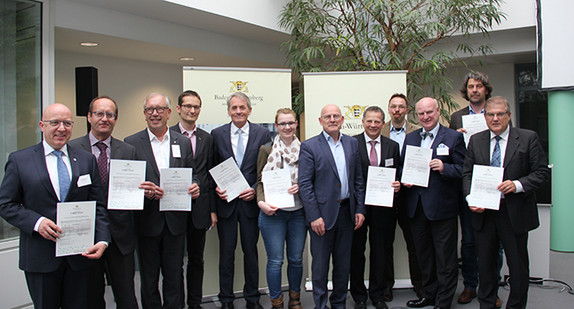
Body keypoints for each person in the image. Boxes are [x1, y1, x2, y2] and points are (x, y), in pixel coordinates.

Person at [0, 103, 111, 308]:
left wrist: (103, 240)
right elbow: (6, 204)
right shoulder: (20, 160)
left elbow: (98, 206)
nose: (61, 128)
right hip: (41, 258)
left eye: (67, 123)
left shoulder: (86, 160)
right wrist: (37, 222)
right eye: (55, 123)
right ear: (42, 125)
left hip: (79, 257)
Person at [462, 96, 550, 309]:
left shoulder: (528, 138)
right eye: (490, 114)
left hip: (514, 212)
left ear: (509, 116)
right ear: (485, 117)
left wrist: (518, 184)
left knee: (517, 267)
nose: (495, 118)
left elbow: (541, 173)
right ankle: (487, 304)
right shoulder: (477, 140)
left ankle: (516, 306)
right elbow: (466, 174)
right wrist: (470, 198)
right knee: (486, 265)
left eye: (500, 114)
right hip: (484, 212)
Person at [124, 92, 199, 309]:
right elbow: (128, 184)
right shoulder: (131, 143)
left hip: (175, 220)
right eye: (149, 110)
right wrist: (143, 192)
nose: (154, 114)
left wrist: (195, 186)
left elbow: (192, 173)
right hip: (147, 221)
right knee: (148, 278)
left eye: (159, 109)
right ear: (145, 114)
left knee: (175, 275)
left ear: (168, 113)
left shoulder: (182, 142)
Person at [68, 96, 139, 309]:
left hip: (121, 236)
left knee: (126, 295)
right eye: (99, 113)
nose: (104, 119)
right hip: (86, 236)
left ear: (115, 119)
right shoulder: (72, 149)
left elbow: (132, 190)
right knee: (90, 296)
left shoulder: (127, 150)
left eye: (110, 115)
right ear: (89, 117)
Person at [298, 104, 366, 309]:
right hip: (321, 217)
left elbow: (358, 180)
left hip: (347, 212)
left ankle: (339, 304)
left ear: (343, 119)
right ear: (320, 121)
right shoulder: (310, 146)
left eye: (336, 116)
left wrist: (360, 209)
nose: (332, 119)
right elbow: (305, 184)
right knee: (319, 267)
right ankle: (321, 305)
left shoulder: (352, 144)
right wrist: (314, 216)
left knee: (343, 265)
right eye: (328, 116)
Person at [402, 98, 465, 309]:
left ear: (438, 112)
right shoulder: (410, 138)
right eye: (421, 114)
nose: (425, 117)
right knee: (424, 256)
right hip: (416, 207)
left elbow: (464, 169)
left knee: (445, 258)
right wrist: (405, 180)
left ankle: (444, 301)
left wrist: (445, 168)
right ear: (417, 116)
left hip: (442, 208)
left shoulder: (453, 137)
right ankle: (428, 295)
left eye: (429, 112)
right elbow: (403, 167)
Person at [212, 92, 271, 309]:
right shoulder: (216, 134)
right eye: (234, 108)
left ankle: (252, 299)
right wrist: (216, 186)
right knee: (226, 254)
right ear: (228, 111)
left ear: (249, 110)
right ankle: (226, 300)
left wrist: (256, 190)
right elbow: (212, 166)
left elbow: (267, 169)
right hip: (226, 204)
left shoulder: (262, 133)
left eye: (242, 107)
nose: (238, 111)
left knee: (251, 253)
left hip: (249, 205)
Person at [450, 72, 503, 307]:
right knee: (469, 241)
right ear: (466, 90)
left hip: (495, 185)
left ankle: (492, 288)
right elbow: (451, 153)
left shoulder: (496, 113)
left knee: (496, 242)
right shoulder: (457, 117)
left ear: (486, 89)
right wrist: (456, 138)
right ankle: (470, 285)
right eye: (471, 86)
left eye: (479, 86)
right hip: (469, 185)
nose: (474, 90)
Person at [170, 90, 217, 309]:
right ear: (178, 109)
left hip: (200, 208)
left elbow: (210, 174)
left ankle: (195, 304)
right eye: (187, 106)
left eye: (196, 107)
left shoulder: (207, 138)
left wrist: (212, 210)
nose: (192, 110)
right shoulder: (167, 135)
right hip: (174, 208)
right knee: (175, 261)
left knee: (197, 260)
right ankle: (177, 303)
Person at [350, 106, 401, 309]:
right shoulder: (351, 143)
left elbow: (396, 172)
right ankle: (359, 296)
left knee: (380, 251)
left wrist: (397, 183)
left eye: (377, 121)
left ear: (383, 123)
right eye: (369, 121)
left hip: (383, 207)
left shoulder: (392, 146)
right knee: (356, 252)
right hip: (358, 207)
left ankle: (378, 295)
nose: (373, 125)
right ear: (363, 122)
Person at [256, 108, 306, 309]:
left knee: (296, 260)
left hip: (298, 214)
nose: (287, 127)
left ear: (296, 124)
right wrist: (261, 203)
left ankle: (295, 299)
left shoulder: (306, 149)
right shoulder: (266, 150)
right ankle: (277, 302)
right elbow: (259, 181)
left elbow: (311, 179)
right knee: (275, 261)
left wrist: (301, 187)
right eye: (283, 123)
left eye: (291, 123)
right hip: (272, 214)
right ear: (276, 126)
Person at [381, 93, 423, 300]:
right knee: (385, 243)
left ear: (407, 110)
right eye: (393, 107)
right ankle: (386, 286)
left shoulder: (418, 132)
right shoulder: (379, 130)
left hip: (411, 195)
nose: (397, 110)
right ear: (389, 109)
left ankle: (420, 285)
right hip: (385, 195)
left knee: (414, 243)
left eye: (401, 107)